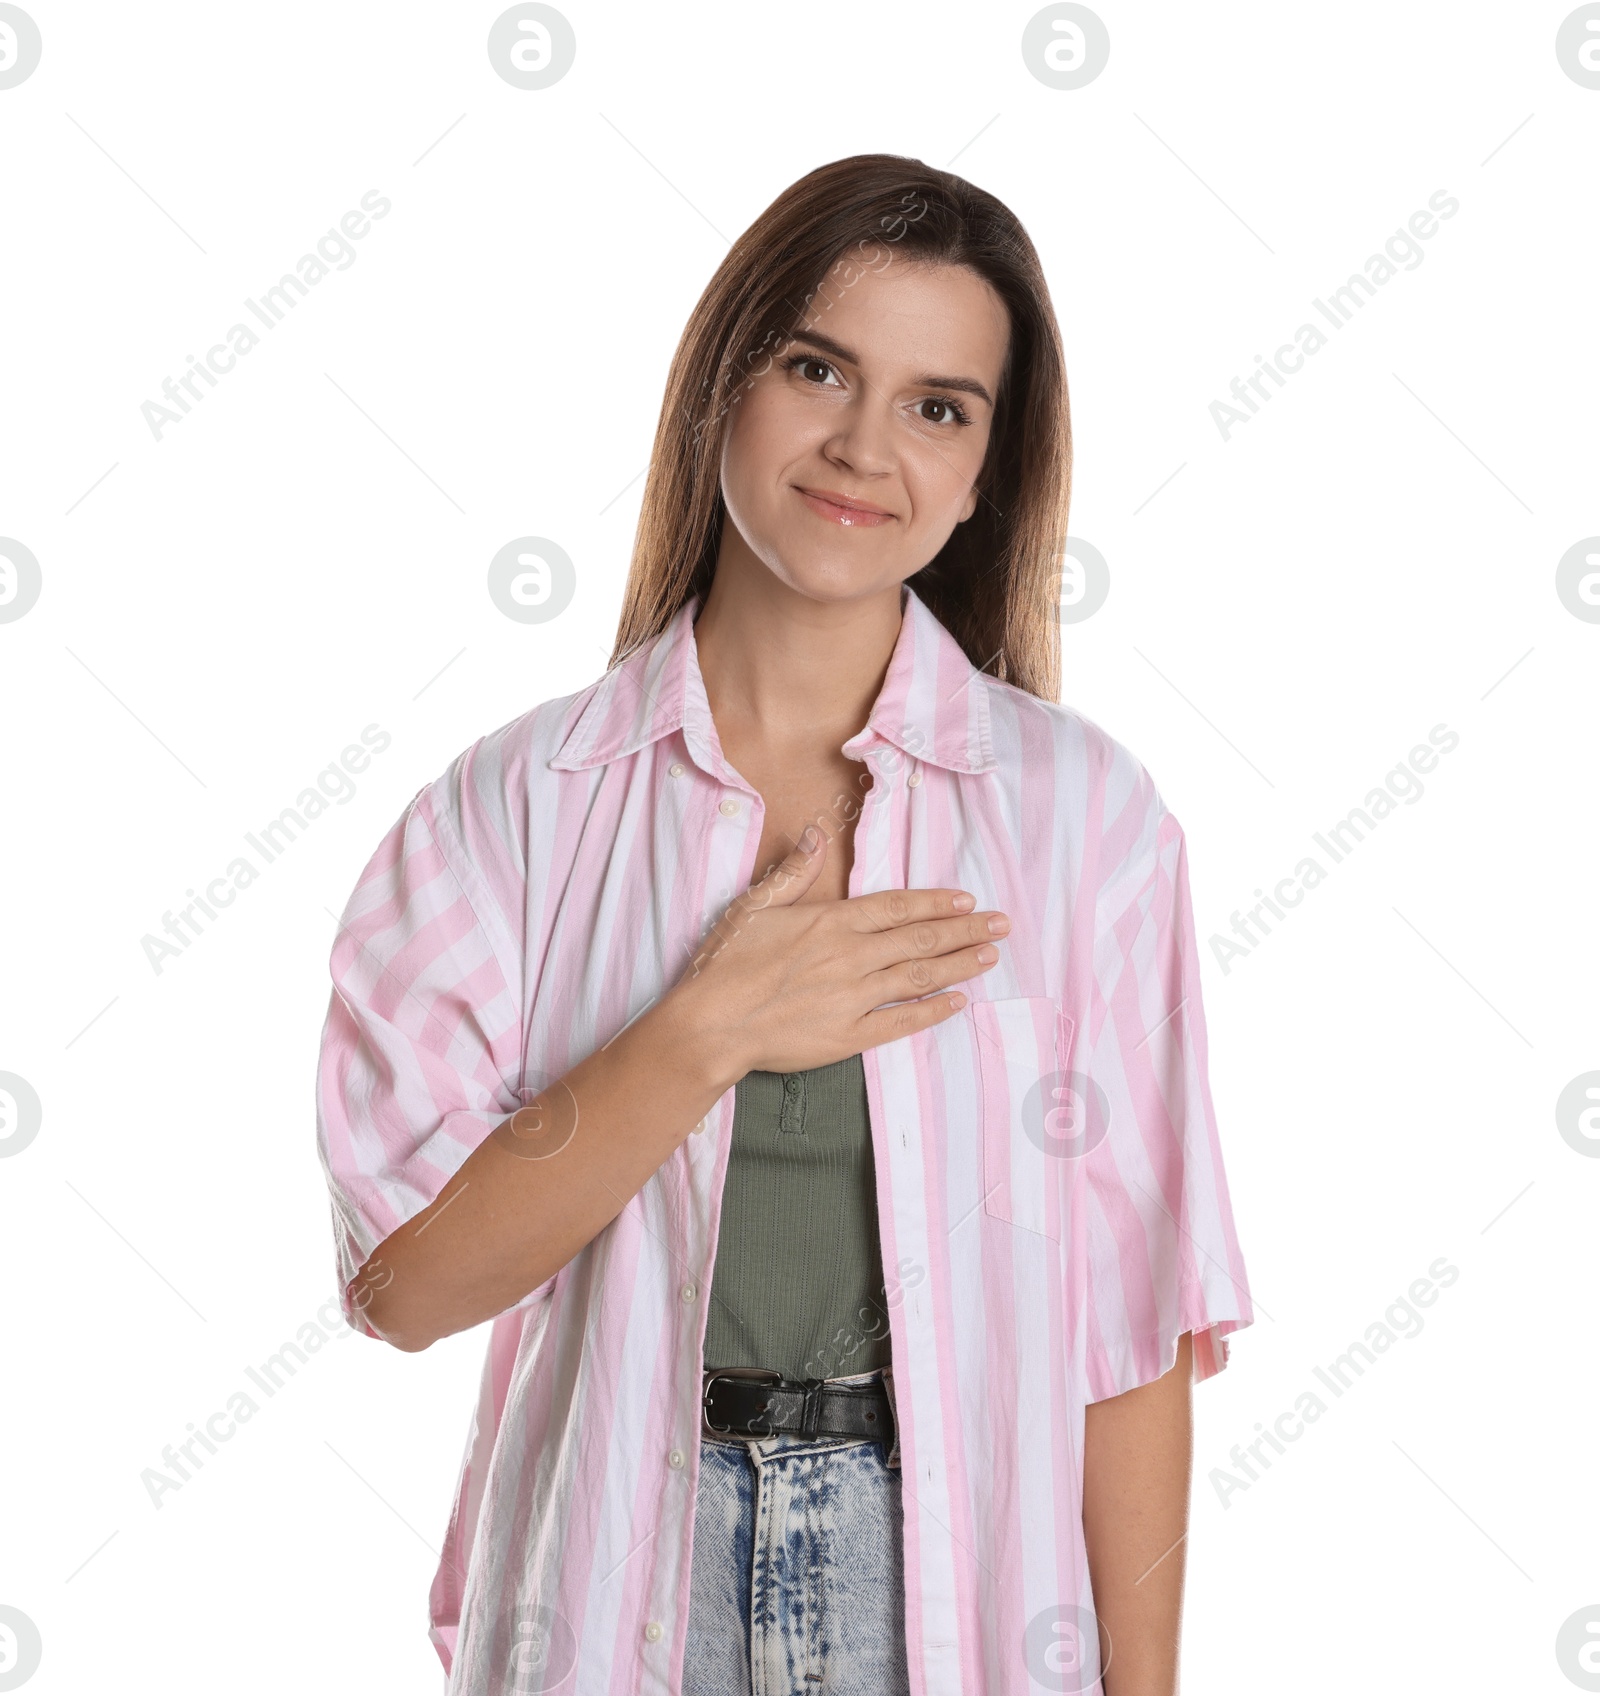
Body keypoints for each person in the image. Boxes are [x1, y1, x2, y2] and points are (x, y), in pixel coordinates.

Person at [316, 152, 1253, 1696]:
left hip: (946, 1586)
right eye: (819, 367)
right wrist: (706, 1030)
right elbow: (404, 1288)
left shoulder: (1086, 821)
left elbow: (1131, 1334)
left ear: (981, 473)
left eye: (937, 407)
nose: (863, 446)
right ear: (724, 382)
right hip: (623, 1574)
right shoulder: (512, 812)